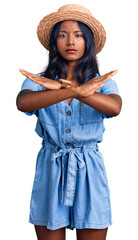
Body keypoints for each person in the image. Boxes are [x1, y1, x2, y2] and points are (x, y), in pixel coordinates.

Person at [16, 4, 122, 240]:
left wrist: (77, 90)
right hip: (51, 168)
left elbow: (115, 107)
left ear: (88, 43)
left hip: (89, 170)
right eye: (63, 35)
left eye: (78, 35)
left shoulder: (100, 82)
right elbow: (23, 103)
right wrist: (73, 91)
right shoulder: (39, 81)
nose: (70, 42)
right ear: (54, 43)